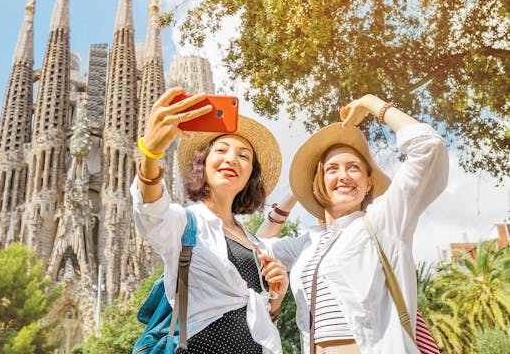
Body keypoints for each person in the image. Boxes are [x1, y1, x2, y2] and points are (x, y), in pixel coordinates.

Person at [257, 94, 449, 354]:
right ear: (319, 181)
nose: (343, 176)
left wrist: (371, 103)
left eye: (354, 168)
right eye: (332, 169)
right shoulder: (308, 242)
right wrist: (294, 194)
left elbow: (428, 147)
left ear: (369, 182)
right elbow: (257, 250)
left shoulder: (383, 221)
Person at [131, 87, 289, 354]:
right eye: (222, 150)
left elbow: (260, 321)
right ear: (203, 163)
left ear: (251, 175)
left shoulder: (256, 244)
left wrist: (277, 297)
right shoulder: (184, 224)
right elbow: (151, 212)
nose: (231, 159)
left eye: (243, 155)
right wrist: (151, 155)